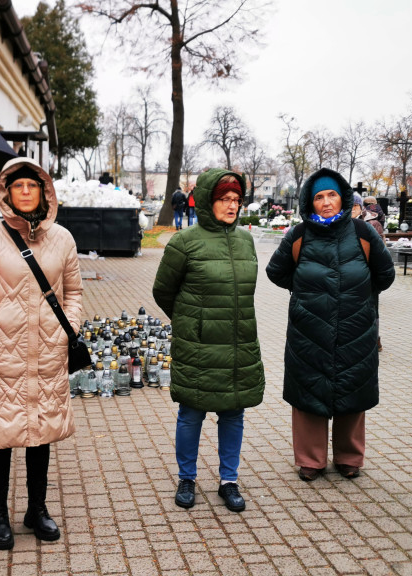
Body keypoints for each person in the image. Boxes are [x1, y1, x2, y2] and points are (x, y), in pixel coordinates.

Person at [0, 158, 83, 550]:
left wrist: (70, 329)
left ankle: (36, 509)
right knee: (0, 436)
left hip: (47, 352)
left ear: (44, 191)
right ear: (6, 192)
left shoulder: (63, 238)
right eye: (18, 186)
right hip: (3, 354)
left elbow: (74, 292)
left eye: (33, 185)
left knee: (39, 434)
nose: (26, 191)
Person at [265, 168, 395, 483]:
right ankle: (311, 459)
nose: (326, 202)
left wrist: (360, 297)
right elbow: (276, 271)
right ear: (310, 202)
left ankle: (349, 457)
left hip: (355, 327)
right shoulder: (299, 235)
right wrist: (305, 293)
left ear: (343, 198)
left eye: (332, 195)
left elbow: (385, 274)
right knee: (309, 391)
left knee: (353, 389)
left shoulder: (363, 233)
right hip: (308, 329)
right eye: (319, 197)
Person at [152, 170, 265, 514]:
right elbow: (163, 291)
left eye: (236, 200)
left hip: (237, 341)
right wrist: (191, 321)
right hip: (199, 344)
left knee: (233, 412)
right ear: (206, 201)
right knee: (192, 411)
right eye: (224, 199)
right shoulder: (185, 242)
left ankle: (229, 481)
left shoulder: (245, 241)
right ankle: (187, 478)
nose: (232, 206)